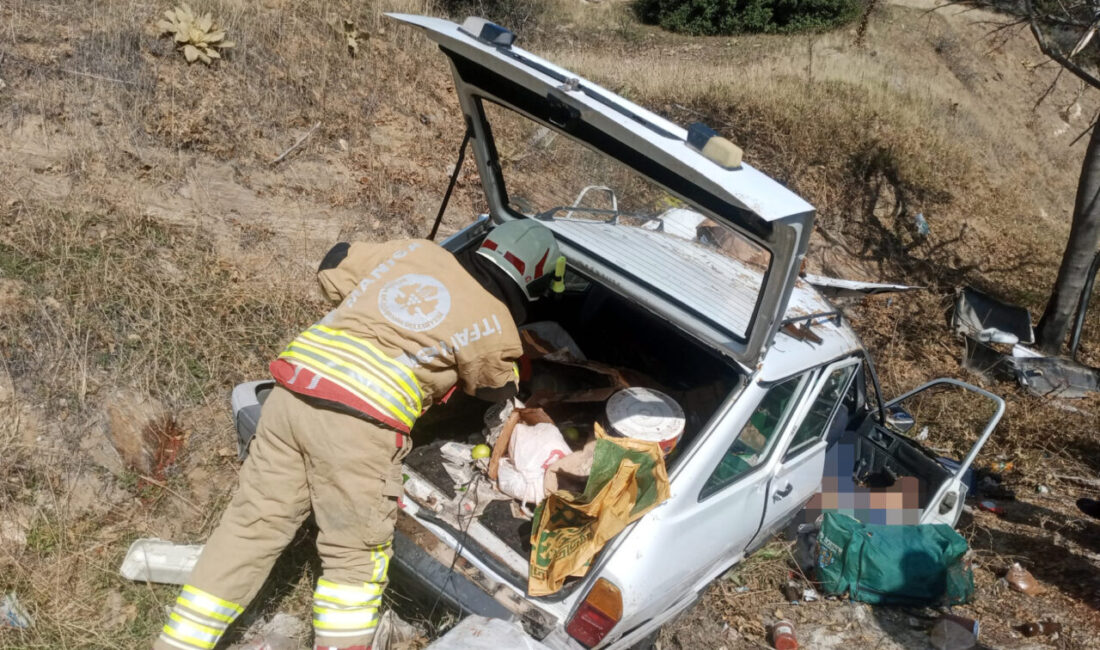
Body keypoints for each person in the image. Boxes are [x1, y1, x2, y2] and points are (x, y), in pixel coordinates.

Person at [154, 220, 562, 650]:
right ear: (531, 282)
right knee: (353, 558)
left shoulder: (415, 252)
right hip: (359, 425)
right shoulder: (496, 320)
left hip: (294, 391)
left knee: (253, 524)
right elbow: (494, 386)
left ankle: (179, 642)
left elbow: (334, 263)